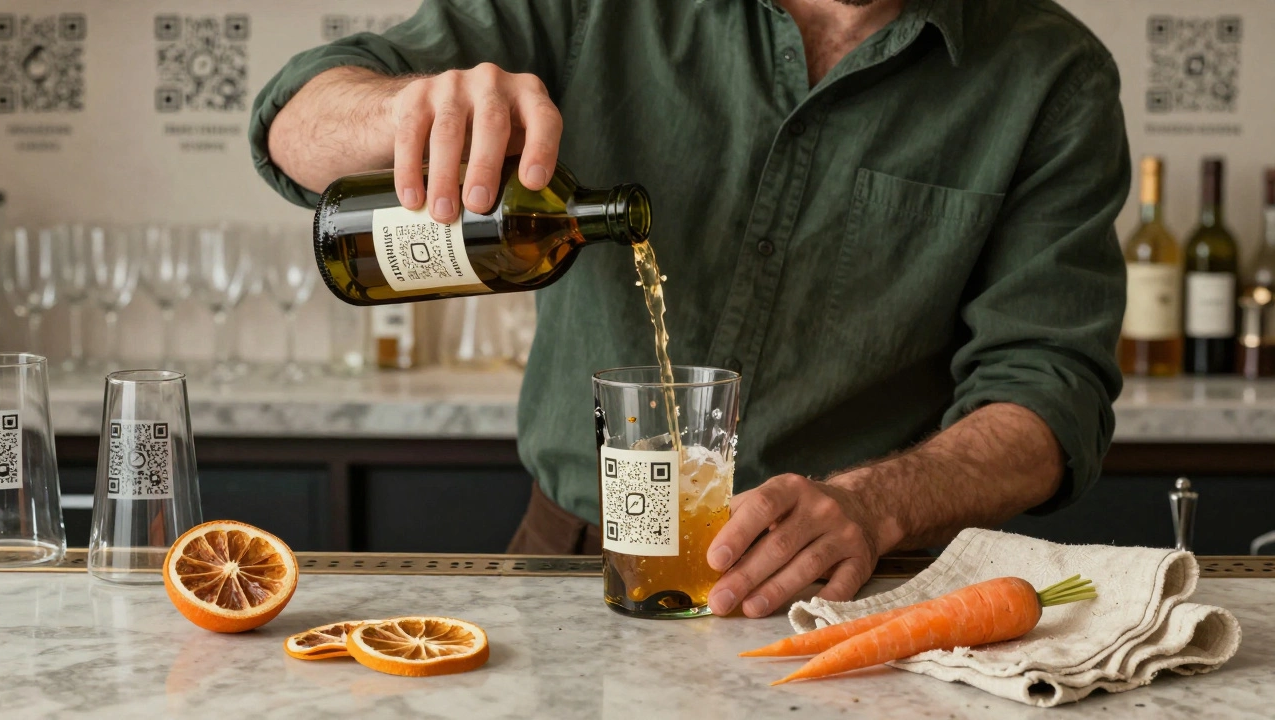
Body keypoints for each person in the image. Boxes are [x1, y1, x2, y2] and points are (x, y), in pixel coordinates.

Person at [251, 0, 1130, 619]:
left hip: (858, 591)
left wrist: (877, 504)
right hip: (572, 561)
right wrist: (405, 108)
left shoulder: (1051, 73)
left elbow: (1051, 390)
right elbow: (293, 123)